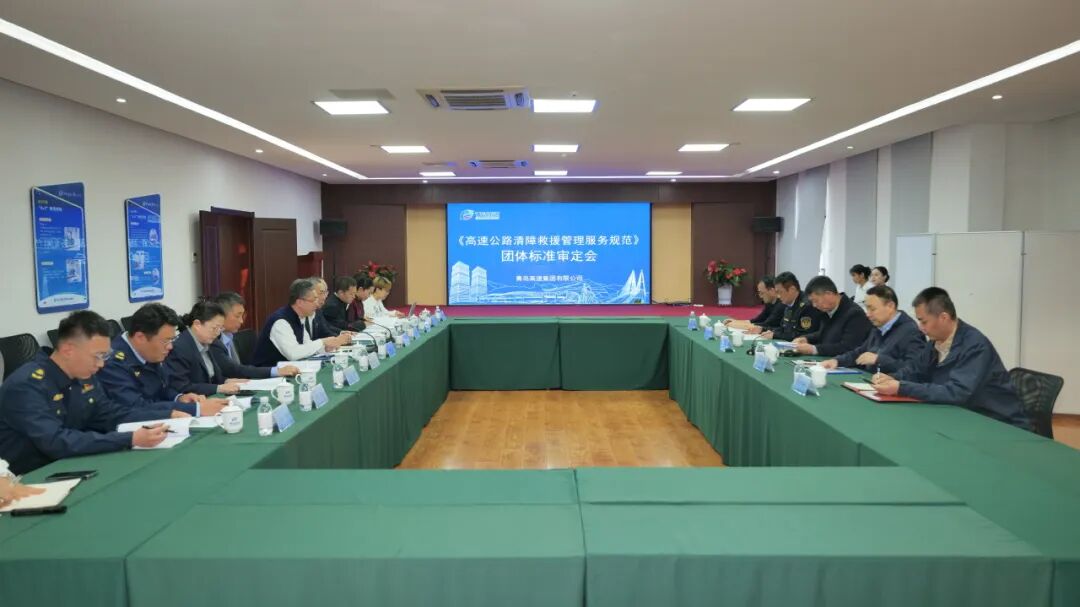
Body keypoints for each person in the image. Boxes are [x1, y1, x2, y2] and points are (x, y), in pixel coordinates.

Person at [0, 311, 170, 475]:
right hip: (26, 476)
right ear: (68, 350)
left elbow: (110, 414)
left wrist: (168, 415)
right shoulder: (26, 385)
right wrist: (129, 439)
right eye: (97, 356)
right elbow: (56, 442)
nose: (101, 364)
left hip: (71, 463)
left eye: (105, 356)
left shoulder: (83, 376)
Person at [871, 287, 1031, 430]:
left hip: (997, 423)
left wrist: (902, 387)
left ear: (943, 317)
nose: (921, 328)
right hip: (962, 417)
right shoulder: (935, 342)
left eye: (924, 321)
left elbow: (956, 392)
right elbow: (915, 370)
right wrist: (891, 378)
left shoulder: (975, 345)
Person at [98, 303, 227, 418]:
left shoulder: (149, 351)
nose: (170, 347)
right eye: (166, 341)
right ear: (140, 337)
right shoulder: (112, 363)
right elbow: (136, 406)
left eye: (172, 339)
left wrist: (179, 398)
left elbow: (162, 388)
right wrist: (196, 409)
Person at [820, 285, 927, 373]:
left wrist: (879, 360)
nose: (868, 314)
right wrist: (837, 361)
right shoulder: (878, 327)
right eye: (867, 309)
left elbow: (915, 369)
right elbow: (860, 352)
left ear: (890, 306)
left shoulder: (911, 332)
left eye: (872, 309)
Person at [251, 279, 352, 366]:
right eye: (313, 300)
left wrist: (325, 348)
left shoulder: (300, 317)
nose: (317, 304)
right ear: (300, 302)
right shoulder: (281, 321)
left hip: (288, 370)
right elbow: (293, 354)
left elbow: (307, 345)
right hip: (267, 375)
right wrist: (323, 342)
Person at [163, 301, 249, 397]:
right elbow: (183, 387)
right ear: (197, 324)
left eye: (220, 329)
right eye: (215, 328)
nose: (217, 333)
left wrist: (227, 381)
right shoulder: (179, 348)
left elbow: (212, 378)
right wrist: (219, 388)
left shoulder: (207, 341)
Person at [209, 292, 299, 379]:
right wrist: (276, 371)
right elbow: (234, 370)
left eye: (242, 316)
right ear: (221, 316)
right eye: (237, 316)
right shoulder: (213, 341)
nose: (241, 321)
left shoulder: (230, 336)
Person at [792, 276, 873, 356]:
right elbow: (825, 333)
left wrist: (814, 349)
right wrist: (806, 338)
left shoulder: (854, 314)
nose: (814, 305)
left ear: (829, 294)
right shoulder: (826, 310)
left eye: (816, 301)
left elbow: (848, 347)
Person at [760, 272, 822, 341]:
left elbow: (803, 335)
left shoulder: (807, 306)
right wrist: (765, 330)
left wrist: (775, 335)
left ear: (792, 289)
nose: (778, 296)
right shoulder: (788, 303)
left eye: (780, 292)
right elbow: (783, 328)